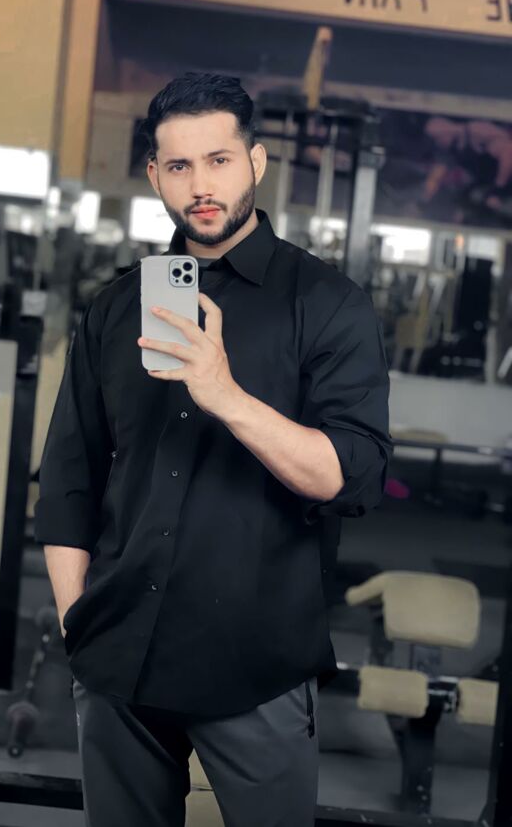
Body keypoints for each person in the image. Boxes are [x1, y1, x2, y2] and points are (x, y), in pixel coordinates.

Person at [35, 72, 392, 827]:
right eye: (179, 165)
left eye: (219, 160)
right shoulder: (115, 307)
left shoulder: (327, 303)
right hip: (119, 659)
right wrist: (77, 621)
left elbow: (352, 476)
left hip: (254, 663)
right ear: (154, 174)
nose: (200, 185)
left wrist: (225, 394)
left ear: (256, 162)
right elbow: (68, 478)